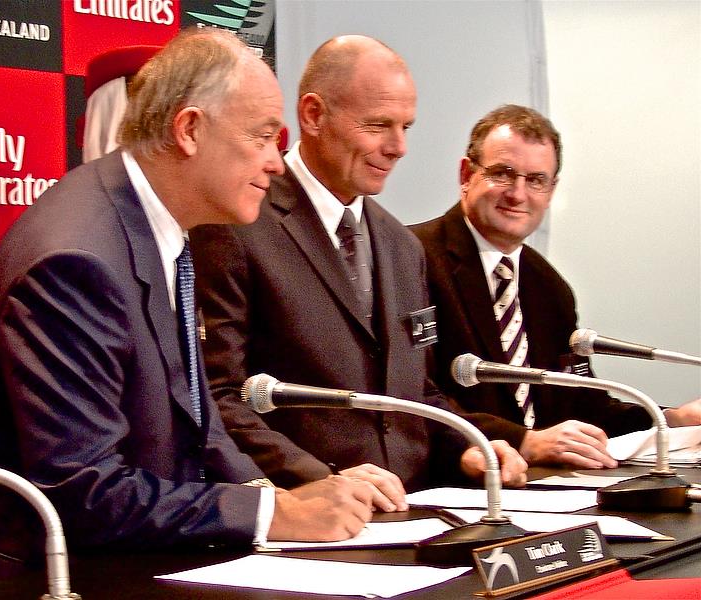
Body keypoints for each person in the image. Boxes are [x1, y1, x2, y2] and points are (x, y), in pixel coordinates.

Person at [0, 28, 375, 592]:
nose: (277, 163)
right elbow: (84, 492)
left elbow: (196, 419)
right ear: (189, 130)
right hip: (30, 581)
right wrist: (273, 516)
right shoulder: (76, 260)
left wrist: (276, 501)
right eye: (262, 137)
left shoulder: (157, 224)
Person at [190, 35, 527, 514]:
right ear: (313, 116)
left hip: (416, 515)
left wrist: (468, 444)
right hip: (307, 520)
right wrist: (319, 481)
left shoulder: (402, 246)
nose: (398, 147)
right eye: (378, 125)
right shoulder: (236, 226)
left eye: (406, 127)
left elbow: (416, 389)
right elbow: (216, 394)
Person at [410, 104, 701, 470]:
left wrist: (671, 421)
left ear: (551, 190)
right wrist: (524, 441)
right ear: (466, 174)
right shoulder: (411, 259)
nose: (518, 194)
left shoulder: (547, 283)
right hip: (450, 484)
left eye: (535, 180)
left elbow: (585, 404)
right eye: (503, 173)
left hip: (544, 490)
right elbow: (413, 394)